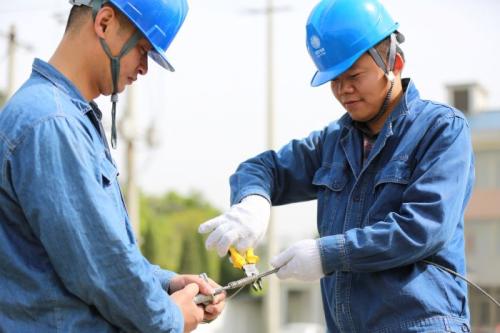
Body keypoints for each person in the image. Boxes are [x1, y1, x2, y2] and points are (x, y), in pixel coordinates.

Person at [199, 0, 474, 332]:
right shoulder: (333, 143)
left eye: (354, 76)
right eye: (334, 79)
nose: (344, 90)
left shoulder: (441, 129)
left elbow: (423, 228)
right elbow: (261, 168)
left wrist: (327, 255)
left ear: (394, 62)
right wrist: (252, 202)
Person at [0, 0, 224, 332]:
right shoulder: (53, 123)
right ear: (104, 22)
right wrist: (170, 317)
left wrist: (167, 283)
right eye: (144, 50)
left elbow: (102, 249)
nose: (145, 68)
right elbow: (101, 266)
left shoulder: (67, 116)